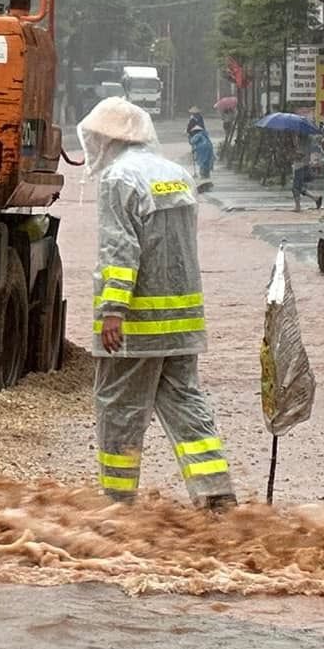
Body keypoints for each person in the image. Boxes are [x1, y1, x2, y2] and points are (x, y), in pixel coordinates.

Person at [80, 97, 235, 511]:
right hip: (183, 324)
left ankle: (117, 502)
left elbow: (120, 249)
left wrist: (112, 310)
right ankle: (216, 495)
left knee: (119, 411)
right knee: (187, 406)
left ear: (109, 139)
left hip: (136, 325)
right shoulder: (176, 174)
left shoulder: (118, 178)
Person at [291, 139, 324, 211]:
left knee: (295, 188)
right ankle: (316, 198)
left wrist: (295, 151)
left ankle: (298, 207)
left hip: (300, 166)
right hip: (301, 165)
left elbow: (301, 154)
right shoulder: (302, 139)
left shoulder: (302, 140)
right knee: (300, 187)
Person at [188, 120, 216, 185]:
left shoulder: (198, 135)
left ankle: (203, 176)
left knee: (202, 161)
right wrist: (194, 149)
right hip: (209, 148)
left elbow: (192, 142)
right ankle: (207, 175)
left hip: (202, 149)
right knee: (207, 161)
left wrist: (189, 138)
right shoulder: (205, 134)